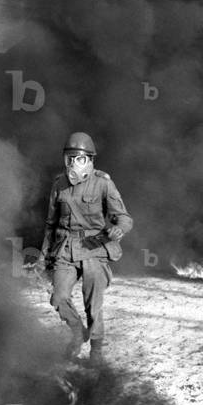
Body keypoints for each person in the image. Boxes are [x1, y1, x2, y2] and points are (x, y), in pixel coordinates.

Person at [37, 132, 133, 361]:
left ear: (90, 160)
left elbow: (125, 218)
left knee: (93, 305)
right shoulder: (59, 184)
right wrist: (43, 258)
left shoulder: (103, 184)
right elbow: (50, 224)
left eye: (78, 158)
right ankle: (77, 332)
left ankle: (96, 350)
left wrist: (119, 229)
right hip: (65, 248)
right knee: (58, 298)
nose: (73, 163)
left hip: (94, 248)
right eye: (69, 158)